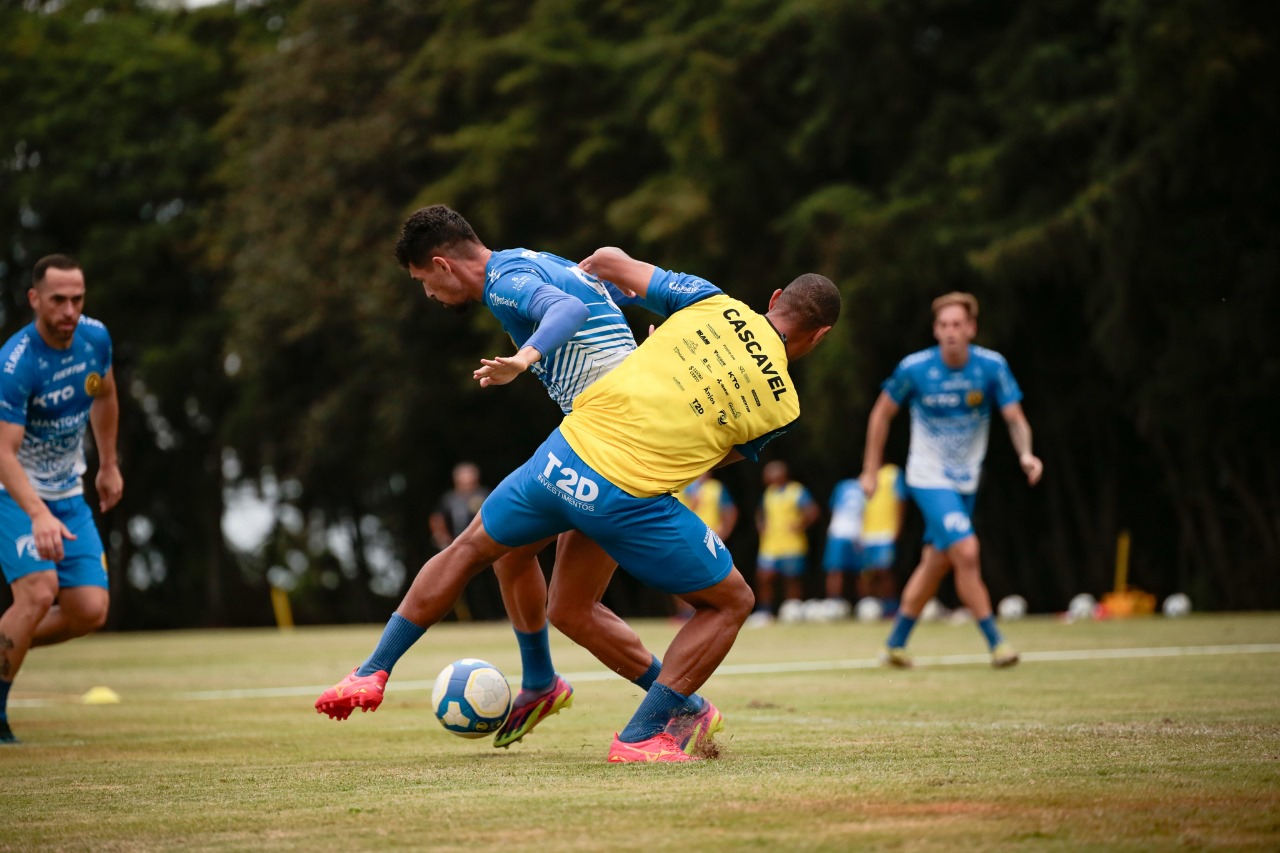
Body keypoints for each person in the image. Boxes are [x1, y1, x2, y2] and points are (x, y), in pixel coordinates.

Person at [316, 246, 840, 762]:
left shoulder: (710, 302)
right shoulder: (784, 407)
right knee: (732, 601)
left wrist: (586, 274)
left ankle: (372, 670)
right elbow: (713, 456)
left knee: (475, 551)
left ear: (773, 298)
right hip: (624, 497)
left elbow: (613, 262)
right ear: (819, 336)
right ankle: (643, 732)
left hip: (562, 458)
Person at [317, 205, 699, 751]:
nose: (427, 296)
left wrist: (524, 359)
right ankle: (641, 700)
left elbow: (565, 308)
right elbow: (606, 296)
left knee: (471, 545)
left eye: (424, 282)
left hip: (602, 443)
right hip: (630, 449)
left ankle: (373, 669)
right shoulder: (534, 258)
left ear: (443, 265)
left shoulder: (506, 281)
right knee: (553, 592)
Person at [860, 292, 1042, 668]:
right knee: (967, 551)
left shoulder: (992, 367)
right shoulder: (915, 368)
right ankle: (997, 643)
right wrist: (871, 469)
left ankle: (895, 643)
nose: (950, 332)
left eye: (958, 324)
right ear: (935, 330)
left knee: (936, 562)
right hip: (927, 477)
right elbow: (881, 415)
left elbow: (1015, 418)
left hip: (966, 481)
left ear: (972, 328)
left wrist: (1026, 454)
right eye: (943, 325)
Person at [0, 254, 122, 744]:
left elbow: (106, 395)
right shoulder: (17, 363)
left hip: (68, 492)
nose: (69, 310)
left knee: (89, 610)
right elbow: (3, 452)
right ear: (35, 300)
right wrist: (36, 514)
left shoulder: (95, 339)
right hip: (14, 491)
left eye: (77, 299)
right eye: (58, 300)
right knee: (37, 592)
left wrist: (108, 464)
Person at [824, 464, 905, 611]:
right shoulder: (853, 484)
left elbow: (900, 500)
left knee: (883, 570)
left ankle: (891, 607)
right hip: (864, 534)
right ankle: (866, 606)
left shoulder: (892, 474)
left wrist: (897, 528)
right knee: (865, 573)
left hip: (880, 532)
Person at [747, 460, 818, 625]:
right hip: (770, 545)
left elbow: (812, 512)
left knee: (791, 579)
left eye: (770, 473)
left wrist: (800, 524)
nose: (766, 477)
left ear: (782, 474)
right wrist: (761, 525)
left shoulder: (796, 491)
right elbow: (760, 512)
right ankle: (765, 612)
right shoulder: (769, 493)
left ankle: (792, 610)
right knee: (764, 577)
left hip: (791, 544)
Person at [672, 472, 738, 618]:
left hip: (709, 539)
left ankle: (716, 609)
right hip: (684, 538)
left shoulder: (716, 488)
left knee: (711, 575)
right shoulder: (678, 486)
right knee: (679, 574)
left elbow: (730, 511)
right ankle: (684, 613)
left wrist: (723, 533)